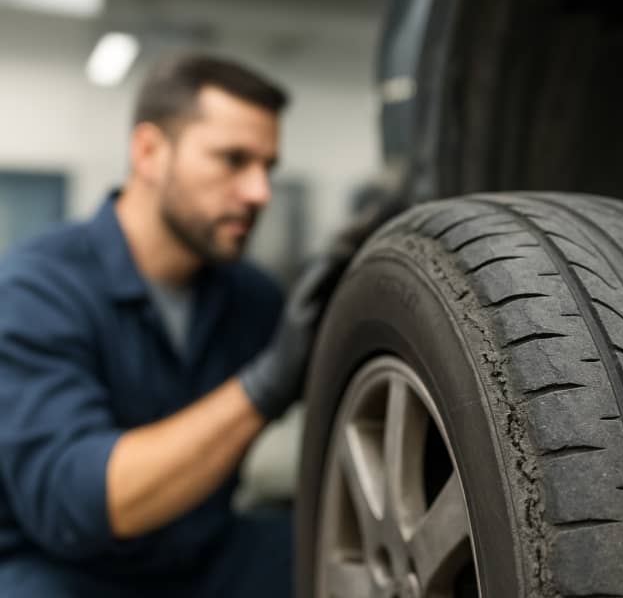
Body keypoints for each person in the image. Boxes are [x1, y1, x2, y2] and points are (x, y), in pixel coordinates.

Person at [0, 53, 395, 597]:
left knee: (346, 563)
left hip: (200, 557)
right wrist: (262, 389)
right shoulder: (36, 288)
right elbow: (80, 505)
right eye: (233, 160)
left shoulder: (249, 295)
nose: (260, 192)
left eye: (267, 168)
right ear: (149, 152)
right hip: (68, 570)